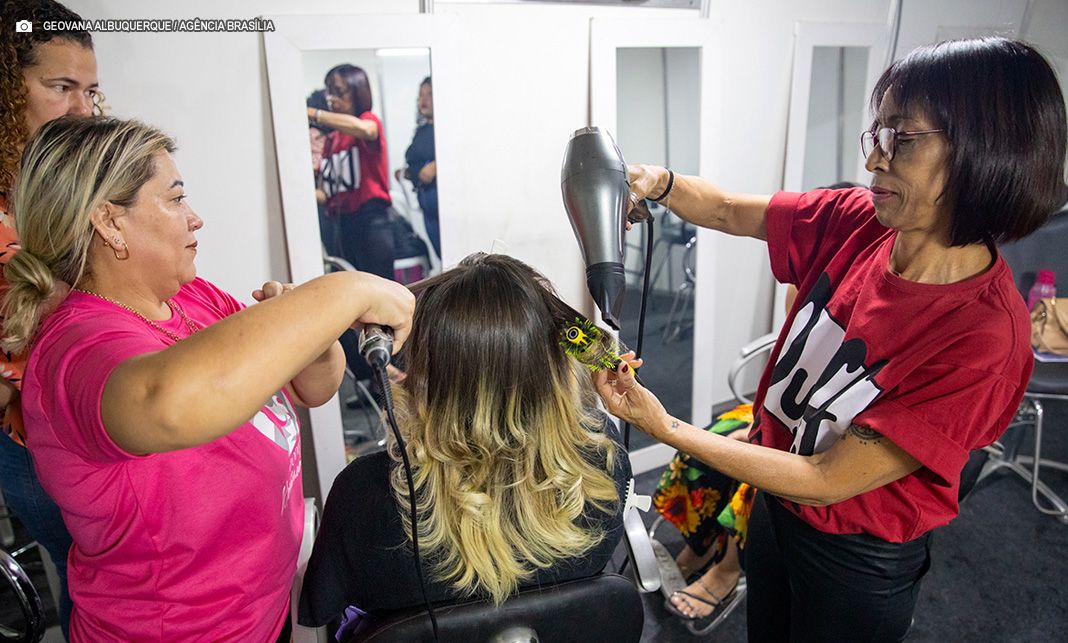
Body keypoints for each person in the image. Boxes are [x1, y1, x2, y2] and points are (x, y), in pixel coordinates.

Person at [598, 38, 1066, 642]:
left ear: (986, 152)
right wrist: (658, 182)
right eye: (879, 135)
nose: (876, 161)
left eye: (903, 139)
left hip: (853, 559)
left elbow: (827, 477)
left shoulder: (984, 338)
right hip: (775, 505)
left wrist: (668, 430)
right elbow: (729, 210)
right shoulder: (861, 221)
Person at [3, 116, 415, 642]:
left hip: (260, 612)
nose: (194, 218)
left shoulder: (191, 299)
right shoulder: (76, 349)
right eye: (175, 199)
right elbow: (169, 404)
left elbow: (316, 387)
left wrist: (307, 329)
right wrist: (342, 293)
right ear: (109, 222)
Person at [299, 253, 631, 630]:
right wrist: (603, 356)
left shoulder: (365, 495)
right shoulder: (602, 463)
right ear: (552, 367)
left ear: (426, 373)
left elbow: (320, 610)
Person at [0, 2, 99, 636]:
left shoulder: (64, 185)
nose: (82, 109)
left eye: (90, 90)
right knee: (94, 583)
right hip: (33, 443)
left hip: (97, 426)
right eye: (61, 88)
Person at [308, 64, 396, 281]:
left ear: (357, 91)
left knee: (380, 296)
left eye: (338, 92)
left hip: (371, 223)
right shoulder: (332, 140)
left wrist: (315, 114)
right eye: (329, 92)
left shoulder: (367, 120)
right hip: (342, 226)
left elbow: (367, 130)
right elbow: (326, 192)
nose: (332, 99)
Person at [402, 76, 439, 258]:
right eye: (421, 95)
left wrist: (436, 166)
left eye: (430, 94)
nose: (423, 100)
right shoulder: (422, 130)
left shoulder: (446, 129)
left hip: (440, 204)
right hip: (427, 208)